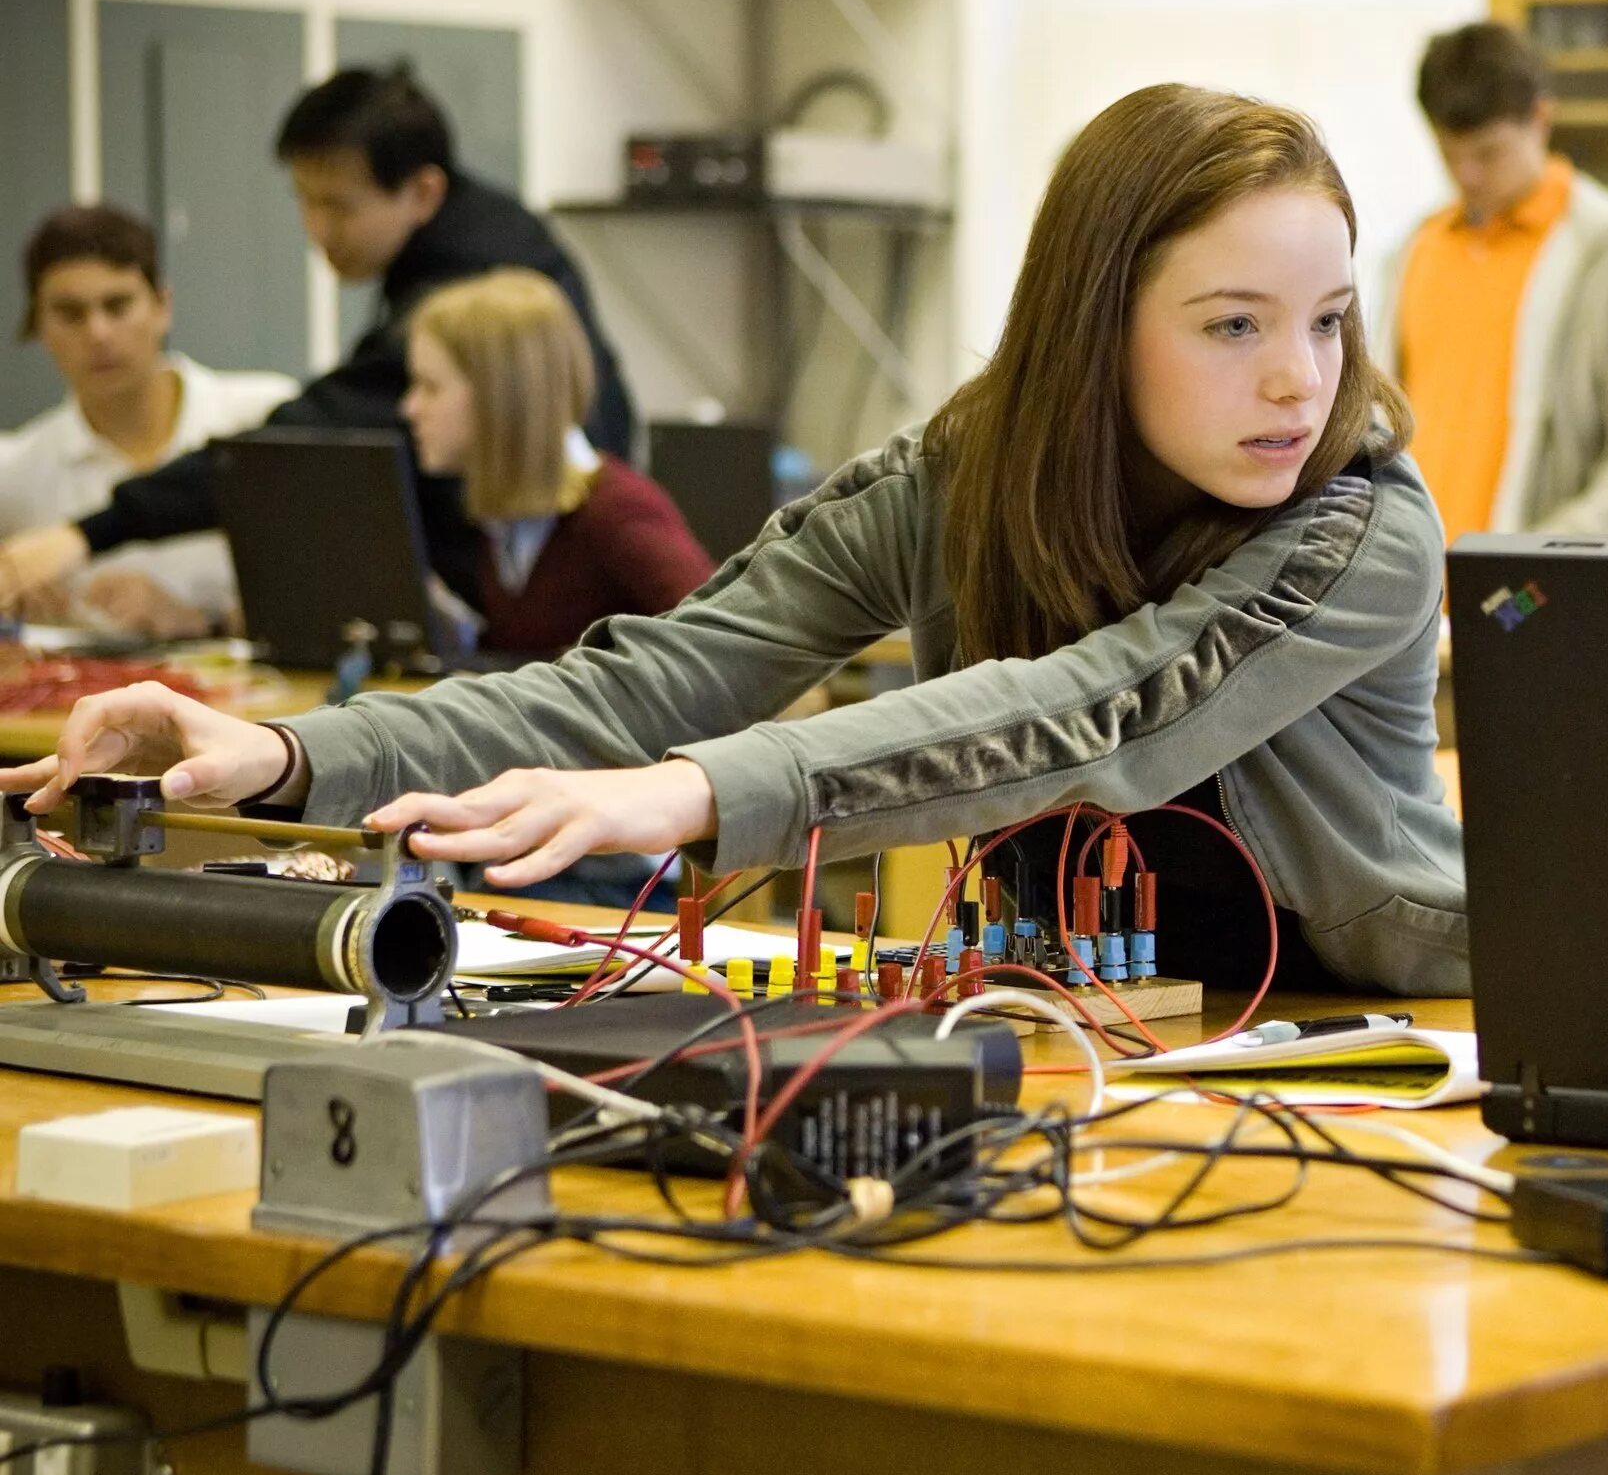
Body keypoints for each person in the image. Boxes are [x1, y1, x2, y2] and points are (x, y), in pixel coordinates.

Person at [1, 84, 1469, 995]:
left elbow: (1089, 714)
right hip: (1082, 1026)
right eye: (1236, 325)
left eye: (1330, 320)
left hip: (1379, 1035)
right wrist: (292, 756)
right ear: (1096, 326)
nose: (1300, 376)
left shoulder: (1365, 526)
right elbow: (646, 678)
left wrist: (694, 792)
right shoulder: (965, 472)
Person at [0, 64, 633, 617]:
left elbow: (308, 440)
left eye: (338, 206)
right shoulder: (486, 232)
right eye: (304, 200)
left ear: (423, 192)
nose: (316, 229)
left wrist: (91, 532)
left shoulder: (470, 278)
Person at [1373, 20, 1608, 539]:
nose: (1467, 176)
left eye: (1488, 153)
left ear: (1541, 120)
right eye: (1449, 154)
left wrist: (1550, 553)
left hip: (1533, 592)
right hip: (1419, 591)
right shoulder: (1415, 251)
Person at [0, 205, 295, 636]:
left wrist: (200, 623)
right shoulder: (17, 475)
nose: (98, 333)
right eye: (70, 313)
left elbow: (343, 595)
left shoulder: (265, 417)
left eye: (117, 306)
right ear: (38, 326)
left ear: (163, 306)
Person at [403, 268, 710, 656]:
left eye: (430, 387)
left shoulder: (615, 514)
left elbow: (721, 652)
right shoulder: (507, 518)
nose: (410, 408)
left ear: (499, 396)